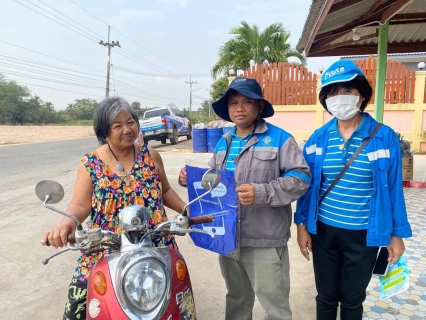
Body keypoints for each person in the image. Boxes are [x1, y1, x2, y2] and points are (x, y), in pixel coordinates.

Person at [42, 97, 187, 320]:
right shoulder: (90, 163)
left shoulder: (151, 156)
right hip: (106, 246)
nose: (127, 129)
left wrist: (187, 210)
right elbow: (80, 204)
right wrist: (66, 224)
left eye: (130, 122)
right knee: (80, 304)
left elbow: (165, 191)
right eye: (117, 126)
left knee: (177, 301)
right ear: (104, 132)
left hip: (155, 243)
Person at [179, 77, 311, 320]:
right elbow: (213, 179)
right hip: (229, 238)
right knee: (238, 299)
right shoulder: (223, 142)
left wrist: (261, 192)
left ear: (260, 106)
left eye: (247, 101)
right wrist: (190, 179)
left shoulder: (280, 139)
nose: (239, 107)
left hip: (265, 240)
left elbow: (301, 179)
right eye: (233, 102)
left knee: (275, 305)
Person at [295, 60, 412, 320]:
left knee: (352, 300)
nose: (340, 98)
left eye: (347, 90)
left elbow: (394, 190)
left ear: (361, 95)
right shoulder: (317, 139)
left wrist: (396, 235)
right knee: (325, 297)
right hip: (324, 232)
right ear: (325, 99)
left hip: (363, 236)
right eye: (333, 93)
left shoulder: (384, 136)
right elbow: (307, 187)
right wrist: (301, 226)